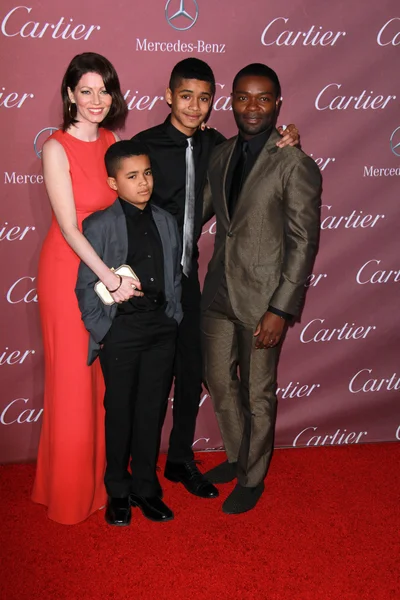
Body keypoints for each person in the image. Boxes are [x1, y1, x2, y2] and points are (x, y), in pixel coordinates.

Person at [132, 58, 300, 499]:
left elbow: (291, 229)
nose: (194, 106)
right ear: (169, 96)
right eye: (185, 96)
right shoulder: (151, 145)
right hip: (152, 282)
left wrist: (288, 141)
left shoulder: (226, 148)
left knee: (205, 378)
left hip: (205, 284)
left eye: (203, 98)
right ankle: (144, 472)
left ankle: (208, 467)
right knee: (178, 379)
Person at [201, 63, 321, 514]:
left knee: (256, 391)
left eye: (263, 98)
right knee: (217, 380)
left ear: (278, 104)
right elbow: (203, 213)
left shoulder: (295, 163)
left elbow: (304, 242)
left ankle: (253, 478)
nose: (253, 107)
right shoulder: (222, 153)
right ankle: (237, 457)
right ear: (230, 101)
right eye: (243, 97)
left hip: (263, 300)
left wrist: (280, 308)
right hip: (217, 293)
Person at [32, 53, 139, 525]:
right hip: (67, 272)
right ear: (70, 94)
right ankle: (70, 497)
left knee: (99, 383)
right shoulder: (56, 147)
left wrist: (125, 271)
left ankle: (99, 484)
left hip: (105, 271)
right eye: (87, 90)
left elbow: (121, 214)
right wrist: (110, 278)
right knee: (74, 381)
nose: (97, 100)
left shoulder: (114, 141)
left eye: (104, 90)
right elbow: (70, 228)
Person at [75, 141, 182, 526]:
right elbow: (86, 287)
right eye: (132, 176)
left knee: (151, 412)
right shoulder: (99, 225)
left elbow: (174, 278)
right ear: (113, 181)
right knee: (119, 412)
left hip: (160, 329)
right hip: (120, 331)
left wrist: (172, 319)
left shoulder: (166, 220)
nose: (143, 183)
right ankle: (117, 491)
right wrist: (104, 329)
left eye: (147, 173)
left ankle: (145, 488)